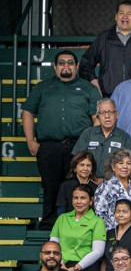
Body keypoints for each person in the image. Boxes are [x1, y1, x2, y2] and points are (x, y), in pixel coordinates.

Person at [24, 49, 101, 230]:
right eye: (62, 63)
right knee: (50, 186)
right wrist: (30, 140)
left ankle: (76, 223)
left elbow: (96, 119)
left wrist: (92, 147)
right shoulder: (43, 87)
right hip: (49, 146)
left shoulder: (88, 88)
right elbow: (27, 111)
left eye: (70, 63)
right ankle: (50, 225)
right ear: (55, 66)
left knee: (77, 186)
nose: (66, 66)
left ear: (76, 66)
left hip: (78, 146)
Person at [94, 149, 131, 232]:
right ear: (113, 167)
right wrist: (117, 233)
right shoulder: (104, 187)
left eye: (128, 163)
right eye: (121, 163)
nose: (125, 167)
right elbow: (100, 214)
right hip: (112, 236)